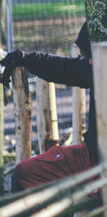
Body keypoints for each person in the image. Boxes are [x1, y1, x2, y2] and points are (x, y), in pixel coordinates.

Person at [2, 23, 96, 192]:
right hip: (90, 153)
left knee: (26, 176)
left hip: (103, 161)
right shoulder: (94, 66)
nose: (86, 60)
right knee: (23, 174)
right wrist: (26, 58)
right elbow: (66, 68)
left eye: (88, 56)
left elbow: (71, 69)